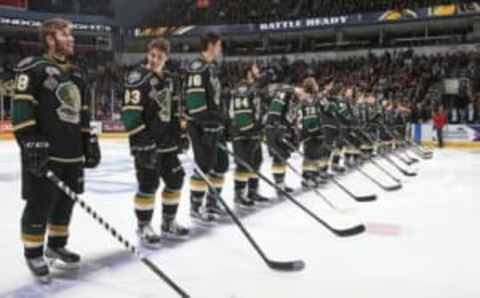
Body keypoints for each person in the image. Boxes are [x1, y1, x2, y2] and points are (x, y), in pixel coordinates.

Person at [13, 18, 100, 283]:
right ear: (50, 39)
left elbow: (83, 114)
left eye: (71, 34)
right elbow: (21, 108)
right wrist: (29, 142)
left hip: (72, 152)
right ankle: (33, 252)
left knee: (66, 201)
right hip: (45, 151)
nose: (71, 39)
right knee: (40, 203)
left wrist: (90, 141)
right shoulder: (34, 68)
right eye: (65, 34)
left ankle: (56, 244)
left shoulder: (76, 74)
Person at [122, 38, 189, 248]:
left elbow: (173, 111)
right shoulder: (137, 77)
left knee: (176, 178)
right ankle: (143, 226)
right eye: (152, 55)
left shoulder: (169, 79)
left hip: (167, 143)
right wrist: (142, 142)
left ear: (166, 58)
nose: (154, 59)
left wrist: (181, 134)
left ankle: (168, 222)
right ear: (147, 54)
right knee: (148, 184)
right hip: (146, 143)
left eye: (159, 56)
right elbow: (130, 115)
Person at [184, 32, 229, 224]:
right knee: (204, 165)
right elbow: (195, 102)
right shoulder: (197, 66)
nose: (220, 48)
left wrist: (223, 120)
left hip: (214, 125)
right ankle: (195, 206)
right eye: (219, 45)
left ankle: (212, 202)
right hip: (201, 125)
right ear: (211, 45)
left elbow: (215, 99)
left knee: (221, 164)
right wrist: (208, 123)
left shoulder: (212, 68)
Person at [230, 63, 271, 209]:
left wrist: (259, 128)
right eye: (255, 68)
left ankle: (252, 192)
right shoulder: (242, 87)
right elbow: (241, 114)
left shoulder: (254, 88)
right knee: (243, 164)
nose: (258, 70)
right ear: (248, 72)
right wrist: (252, 130)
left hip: (254, 132)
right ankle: (239, 194)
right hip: (243, 133)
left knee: (256, 162)